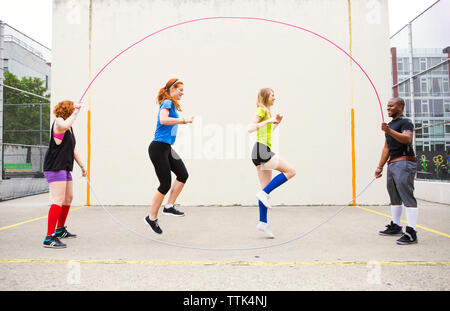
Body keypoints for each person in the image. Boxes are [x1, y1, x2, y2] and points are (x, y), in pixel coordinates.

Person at [145, 78, 194, 234]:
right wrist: (183, 120)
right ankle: (151, 218)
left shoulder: (171, 103)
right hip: (158, 148)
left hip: (166, 147)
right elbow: (163, 120)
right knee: (165, 184)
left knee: (183, 174)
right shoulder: (167, 102)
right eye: (180, 90)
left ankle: (169, 206)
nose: (182, 94)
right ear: (172, 89)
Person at [248, 88, 296, 238]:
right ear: (265, 97)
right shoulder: (262, 111)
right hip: (261, 151)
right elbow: (249, 128)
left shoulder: (267, 113)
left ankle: (263, 222)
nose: (275, 97)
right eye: (272, 95)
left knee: (265, 190)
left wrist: (276, 124)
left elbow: (266, 132)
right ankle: (262, 194)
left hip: (259, 151)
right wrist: (269, 120)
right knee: (290, 171)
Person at [42, 100, 87, 248]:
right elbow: (64, 125)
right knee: (58, 199)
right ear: (67, 109)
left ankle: (59, 230)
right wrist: (76, 112)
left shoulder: (69, 129)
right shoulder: (59, 122)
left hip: (65, 167)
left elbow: (73, 149)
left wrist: (82, 166)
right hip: (55, 167)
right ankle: (49, 238)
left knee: (68, 198)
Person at [375, 97, 418, 245]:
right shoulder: (390, 125)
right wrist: (380, 166)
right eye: (387, 106)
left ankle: (412, 232)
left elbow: (407, 139)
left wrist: (389, 130)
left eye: (391, 106)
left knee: (407, 197)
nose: (388, 108)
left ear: (400, 107)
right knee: (394, 196)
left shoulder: (405, 122)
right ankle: (396, 225)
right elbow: (386, 147)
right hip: (392, 164)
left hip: (405, 162)